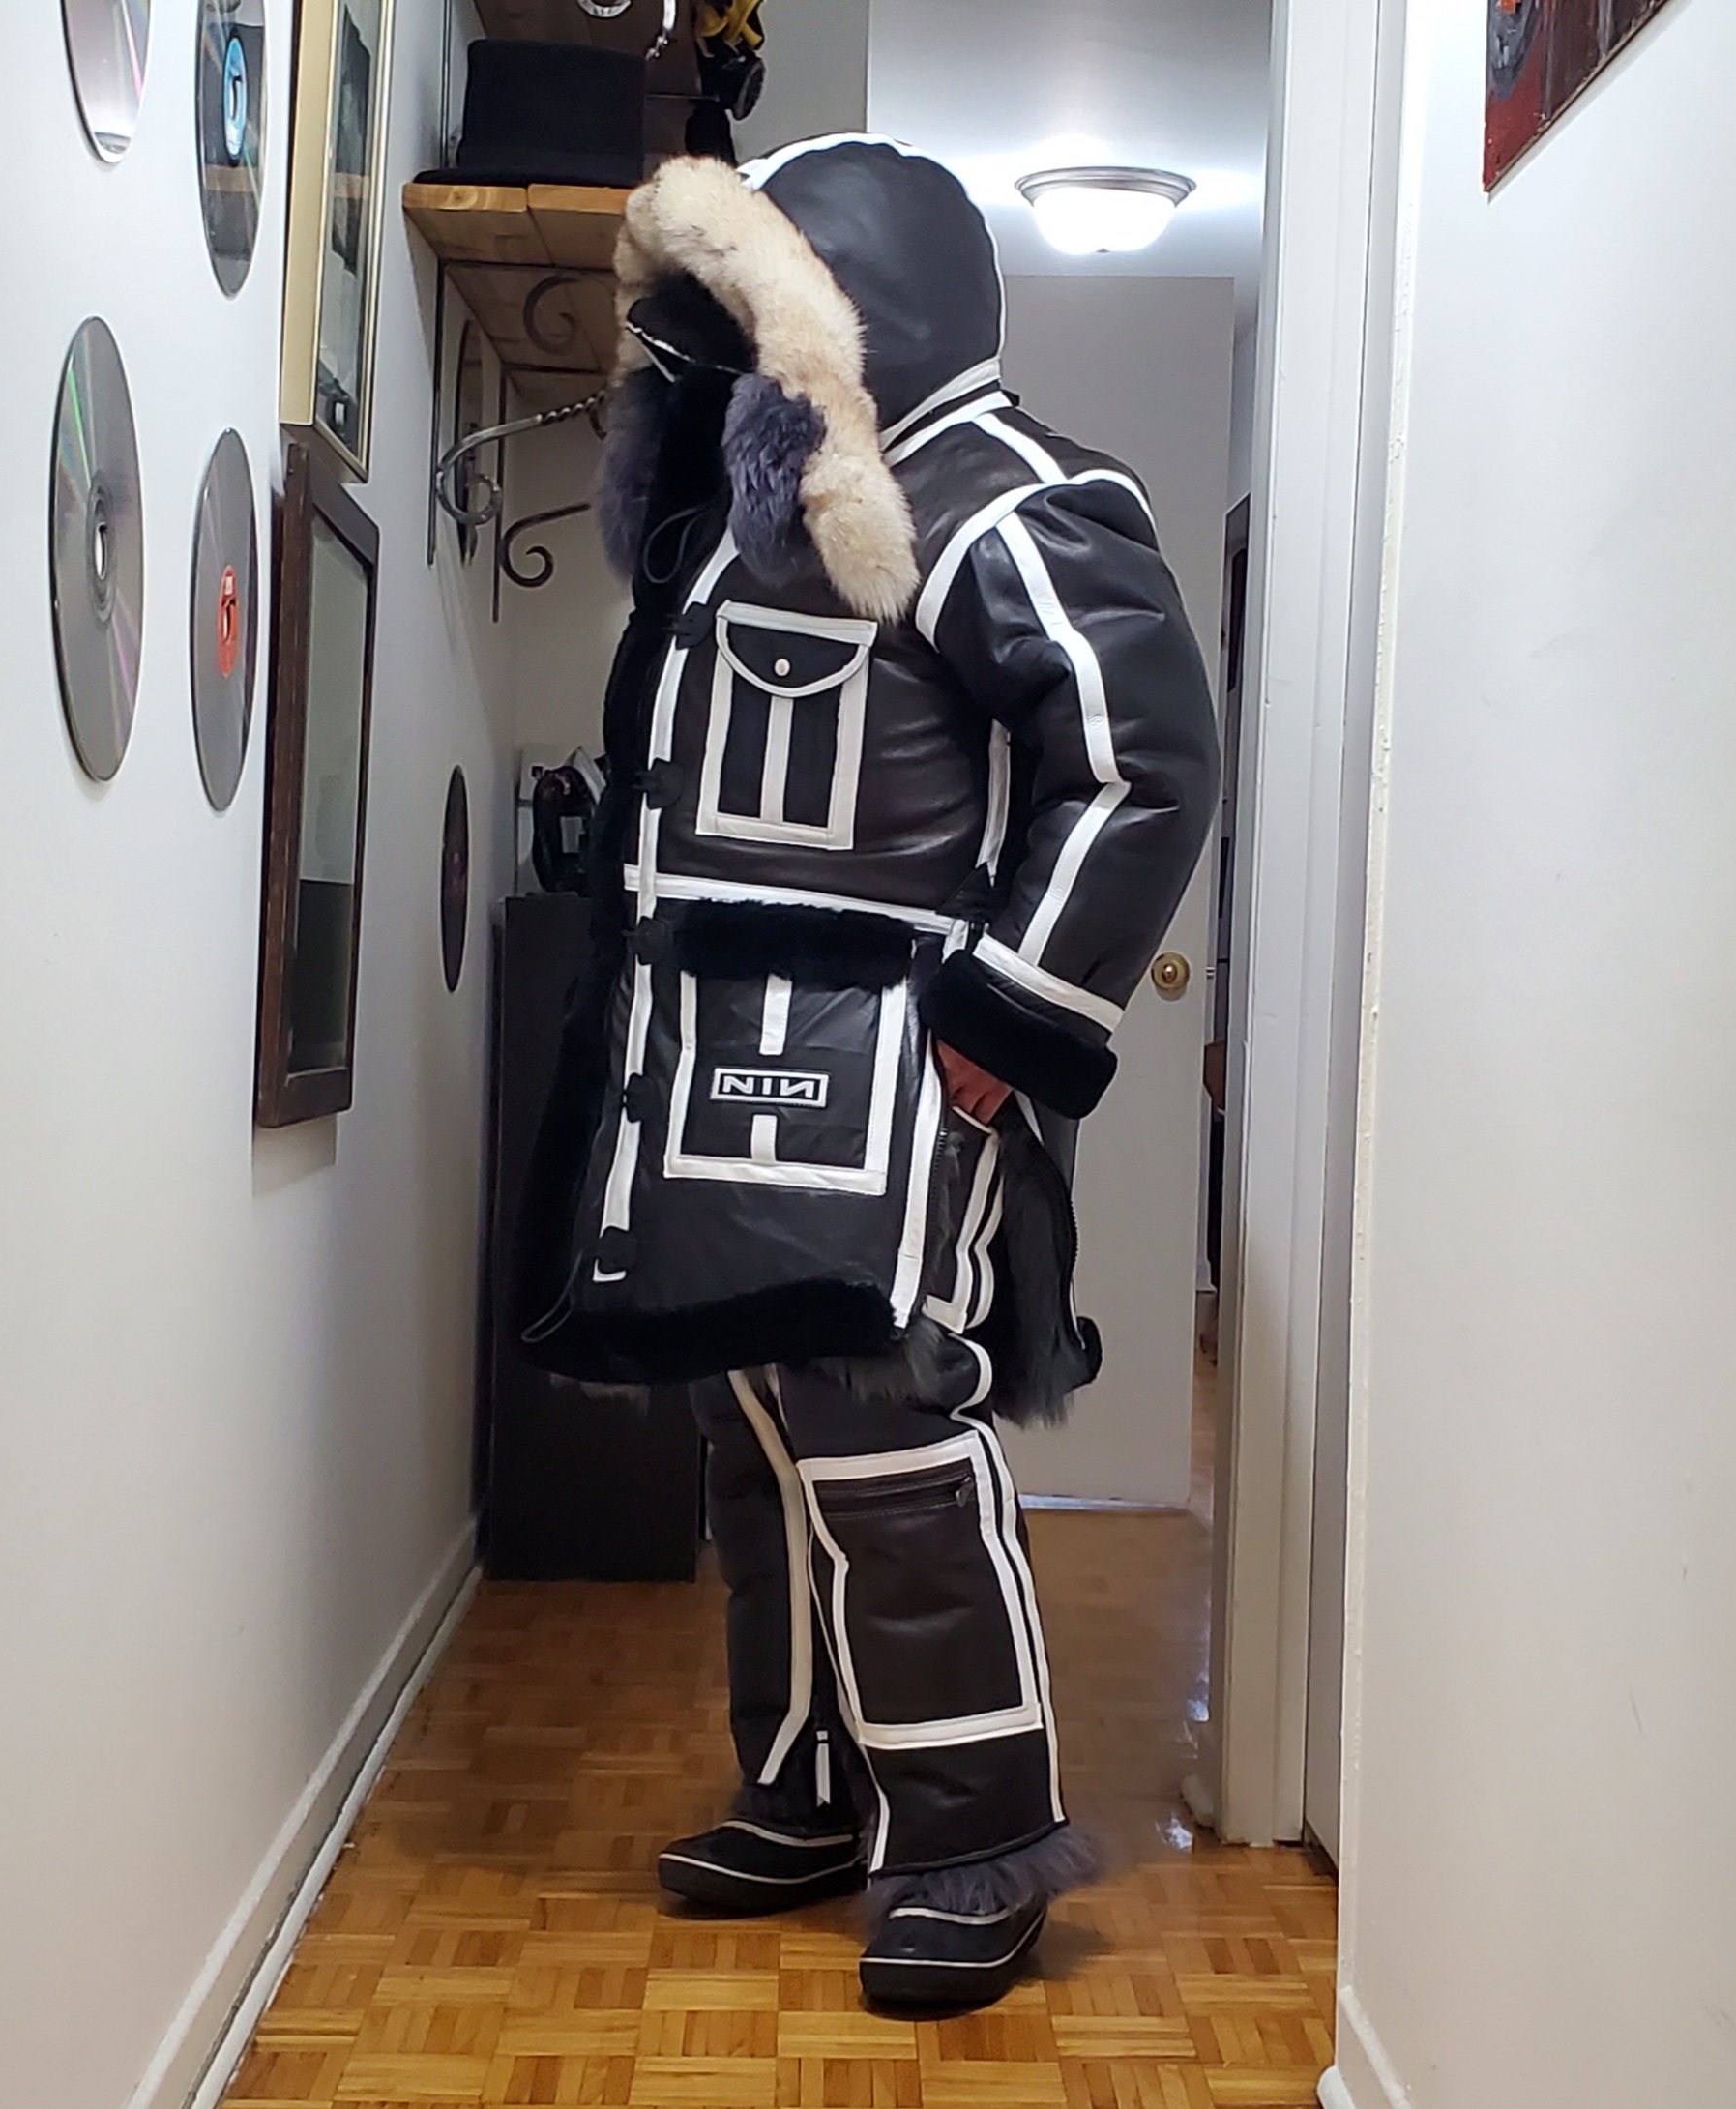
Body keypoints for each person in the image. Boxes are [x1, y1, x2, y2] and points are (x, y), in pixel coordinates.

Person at [513, 136, 1219, 2009]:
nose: (704, 346)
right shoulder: (753, 508)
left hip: (893, 1066)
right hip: (713, 1056)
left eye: (746, 302)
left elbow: (1141, 766)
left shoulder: (1011, 501)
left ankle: (976, 1834)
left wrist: (1001, 1027)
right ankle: (815, 1785)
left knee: (883, 1429)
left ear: (842, 310)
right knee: (754, 1433)